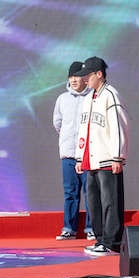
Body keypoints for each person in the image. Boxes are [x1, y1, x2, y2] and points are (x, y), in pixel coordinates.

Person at [74, 56, 129, 256]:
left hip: (107, 158)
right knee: (94, 202)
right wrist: (79, 156)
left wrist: (117, 156)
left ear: (99, 74)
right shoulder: (88, 98)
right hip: (90, 160)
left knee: (110, 202)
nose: (84, 79)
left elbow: (119, 126)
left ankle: (112, 243)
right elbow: (83, 129)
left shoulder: (111, 95)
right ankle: (100, 239)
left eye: (87, 76)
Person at [52, 62, 94, 241]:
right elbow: (58, 123)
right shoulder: (62, 99)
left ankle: (91, 228)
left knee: (90, 192)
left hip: (88, 154)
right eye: (71, 76)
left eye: (77, 76)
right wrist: (68, 139)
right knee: (70, 192)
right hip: (68, 154)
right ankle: (69, 229)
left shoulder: (93, 97)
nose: (74, 80)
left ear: (85, 78)